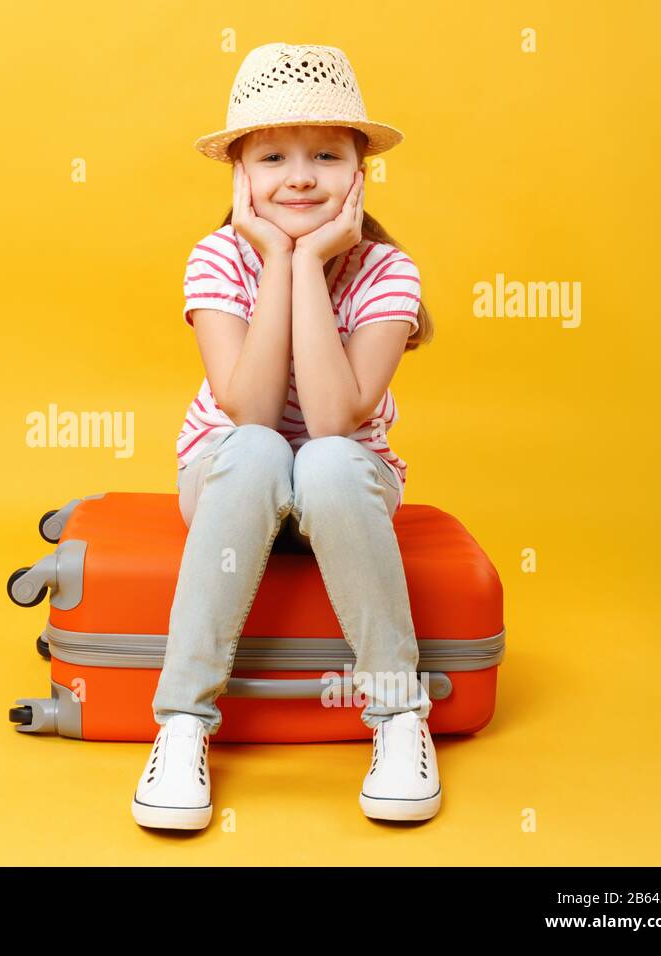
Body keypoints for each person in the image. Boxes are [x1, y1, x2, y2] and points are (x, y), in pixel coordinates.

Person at [132, 43, 440, 830]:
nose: (300, 176)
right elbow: (253, 412)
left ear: (359, 170)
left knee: (331, 462)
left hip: (345, 490)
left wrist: (311, 266)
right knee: (265, 449)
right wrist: (276, 257)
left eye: (326, 155)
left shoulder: (387, 272)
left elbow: (337, 420)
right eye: (273, 156)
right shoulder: (217, 259)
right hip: (236, 477)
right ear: (239, 174)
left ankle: (401, 716)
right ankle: (181, 724)